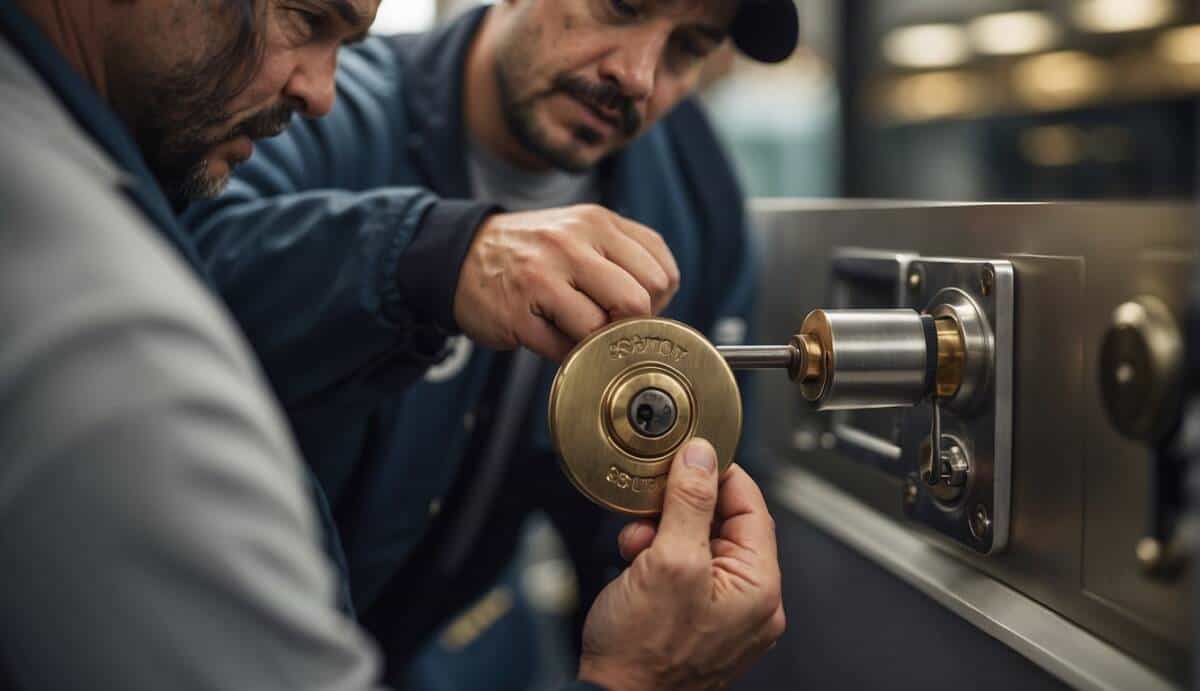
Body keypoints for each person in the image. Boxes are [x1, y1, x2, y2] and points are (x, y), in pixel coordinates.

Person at [0, 0, 784, 689]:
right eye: (621, 6)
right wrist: (433, 257)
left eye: (689, 46)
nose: (641, 76)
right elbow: (177, 271)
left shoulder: (698, 199)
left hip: (446, 633)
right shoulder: (296, 109)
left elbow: (659, 522)